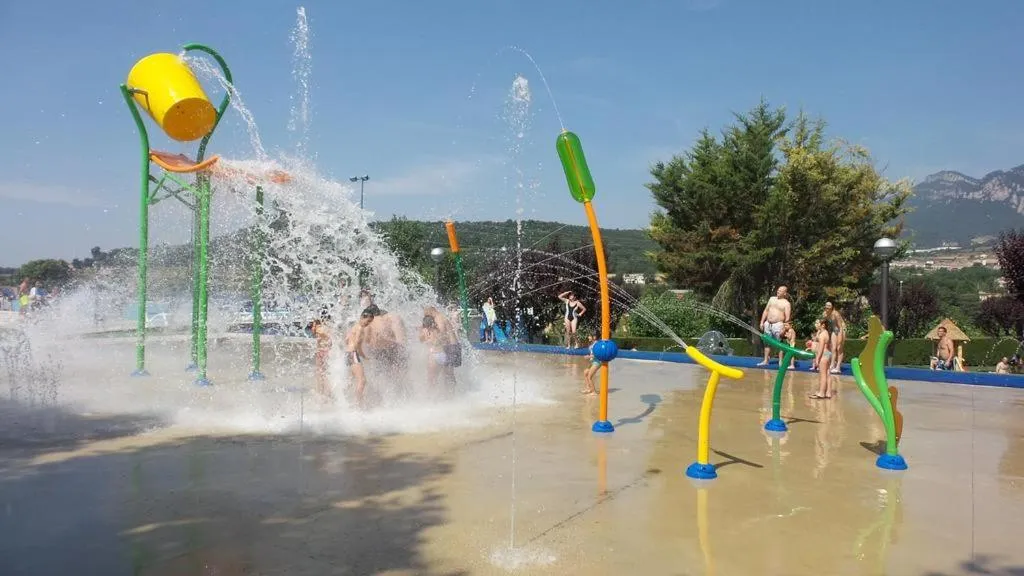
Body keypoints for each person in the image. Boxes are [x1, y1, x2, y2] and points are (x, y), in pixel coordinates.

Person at [424, 304, 460, 387]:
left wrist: (431, 344)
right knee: (448, 375)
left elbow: (440, 336)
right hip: (451, 348)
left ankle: (447, 393)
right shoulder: (441, 317)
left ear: (429, 310)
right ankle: (450, 393)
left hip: (448, 349)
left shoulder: (439, 319)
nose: (424, 315)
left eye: (425, 312)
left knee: (444, 375)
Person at [345, 309, 374, 408]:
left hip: (348, 354)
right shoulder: (360, 328)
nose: (368, 324)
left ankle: (346, 402)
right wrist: (364, 356)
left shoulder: (354, 327)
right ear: (362, 317)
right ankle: (358, 406)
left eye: (370, 322)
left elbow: (346, 340)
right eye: (368, 321)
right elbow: (357, 344)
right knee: (362, 381)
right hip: (353, 354)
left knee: (351, 380)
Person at [757, 286, 791, 366]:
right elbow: (766, 310)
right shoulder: (772, 299)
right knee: (767, 342)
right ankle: (766, 360)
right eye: (778, 290)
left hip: (778, 324)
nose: (778, 291)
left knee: (780, 344)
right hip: (768, 323)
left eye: (780, 291)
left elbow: (788, 318)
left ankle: (780, 361)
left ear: (785, 293)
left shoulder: (786, 303)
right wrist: (762, 322)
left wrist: (784, 328)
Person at [310, 313, 335, 402]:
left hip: (322, 352)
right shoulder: (328, 328)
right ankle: (326, 393)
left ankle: (324, 393)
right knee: (323, 373)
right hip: (325, 351)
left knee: (321, 373)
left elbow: (316, 334)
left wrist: (316, 326)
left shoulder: (320, 329)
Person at [419, 315, 448, 392]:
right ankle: (447, 395)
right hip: (443, 354)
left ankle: (432, 396)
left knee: (431, 380)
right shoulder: (438, 330)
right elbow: (445, 339)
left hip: (433, 356)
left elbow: (421, 340)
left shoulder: (424, 331)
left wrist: (421, 331)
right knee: (444, 378)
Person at [809, 318, 833, 399]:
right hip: (828, 354)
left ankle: (821, 393)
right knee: (828, 374)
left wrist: (817, 359)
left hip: (823, 355)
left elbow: (821, 347)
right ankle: (828, 392)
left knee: (823, 375)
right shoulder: (826, 333)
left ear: (823, 325)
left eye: (817, 323)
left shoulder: (822, 335)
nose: (815, 325)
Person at [823, 302, 847, 374]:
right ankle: (832, 365)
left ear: (832, 307)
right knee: (833, 348)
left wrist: (840, 337)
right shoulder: (825, 314)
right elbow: (826, 325)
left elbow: (840, 327)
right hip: (834, 330)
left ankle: (838, 367)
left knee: (839, 348)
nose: (827, 307)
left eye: (829, 306)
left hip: (841, 329)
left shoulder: (836, 314)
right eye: (826, 306)